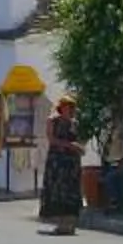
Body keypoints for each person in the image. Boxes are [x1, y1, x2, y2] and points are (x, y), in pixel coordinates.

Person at [38, 97, 84, 235]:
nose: (71, 110)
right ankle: (61, 224)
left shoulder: (74, 123)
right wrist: (70, 145)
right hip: (58, 161)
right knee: (58, 190)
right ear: (62, 107)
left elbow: (78, 139)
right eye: (69, 107)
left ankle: (70, 224)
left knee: (71, 191)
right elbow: (51, 139)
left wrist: (80, 147)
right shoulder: (53, 121)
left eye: (73, 107)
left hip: (72, 162)